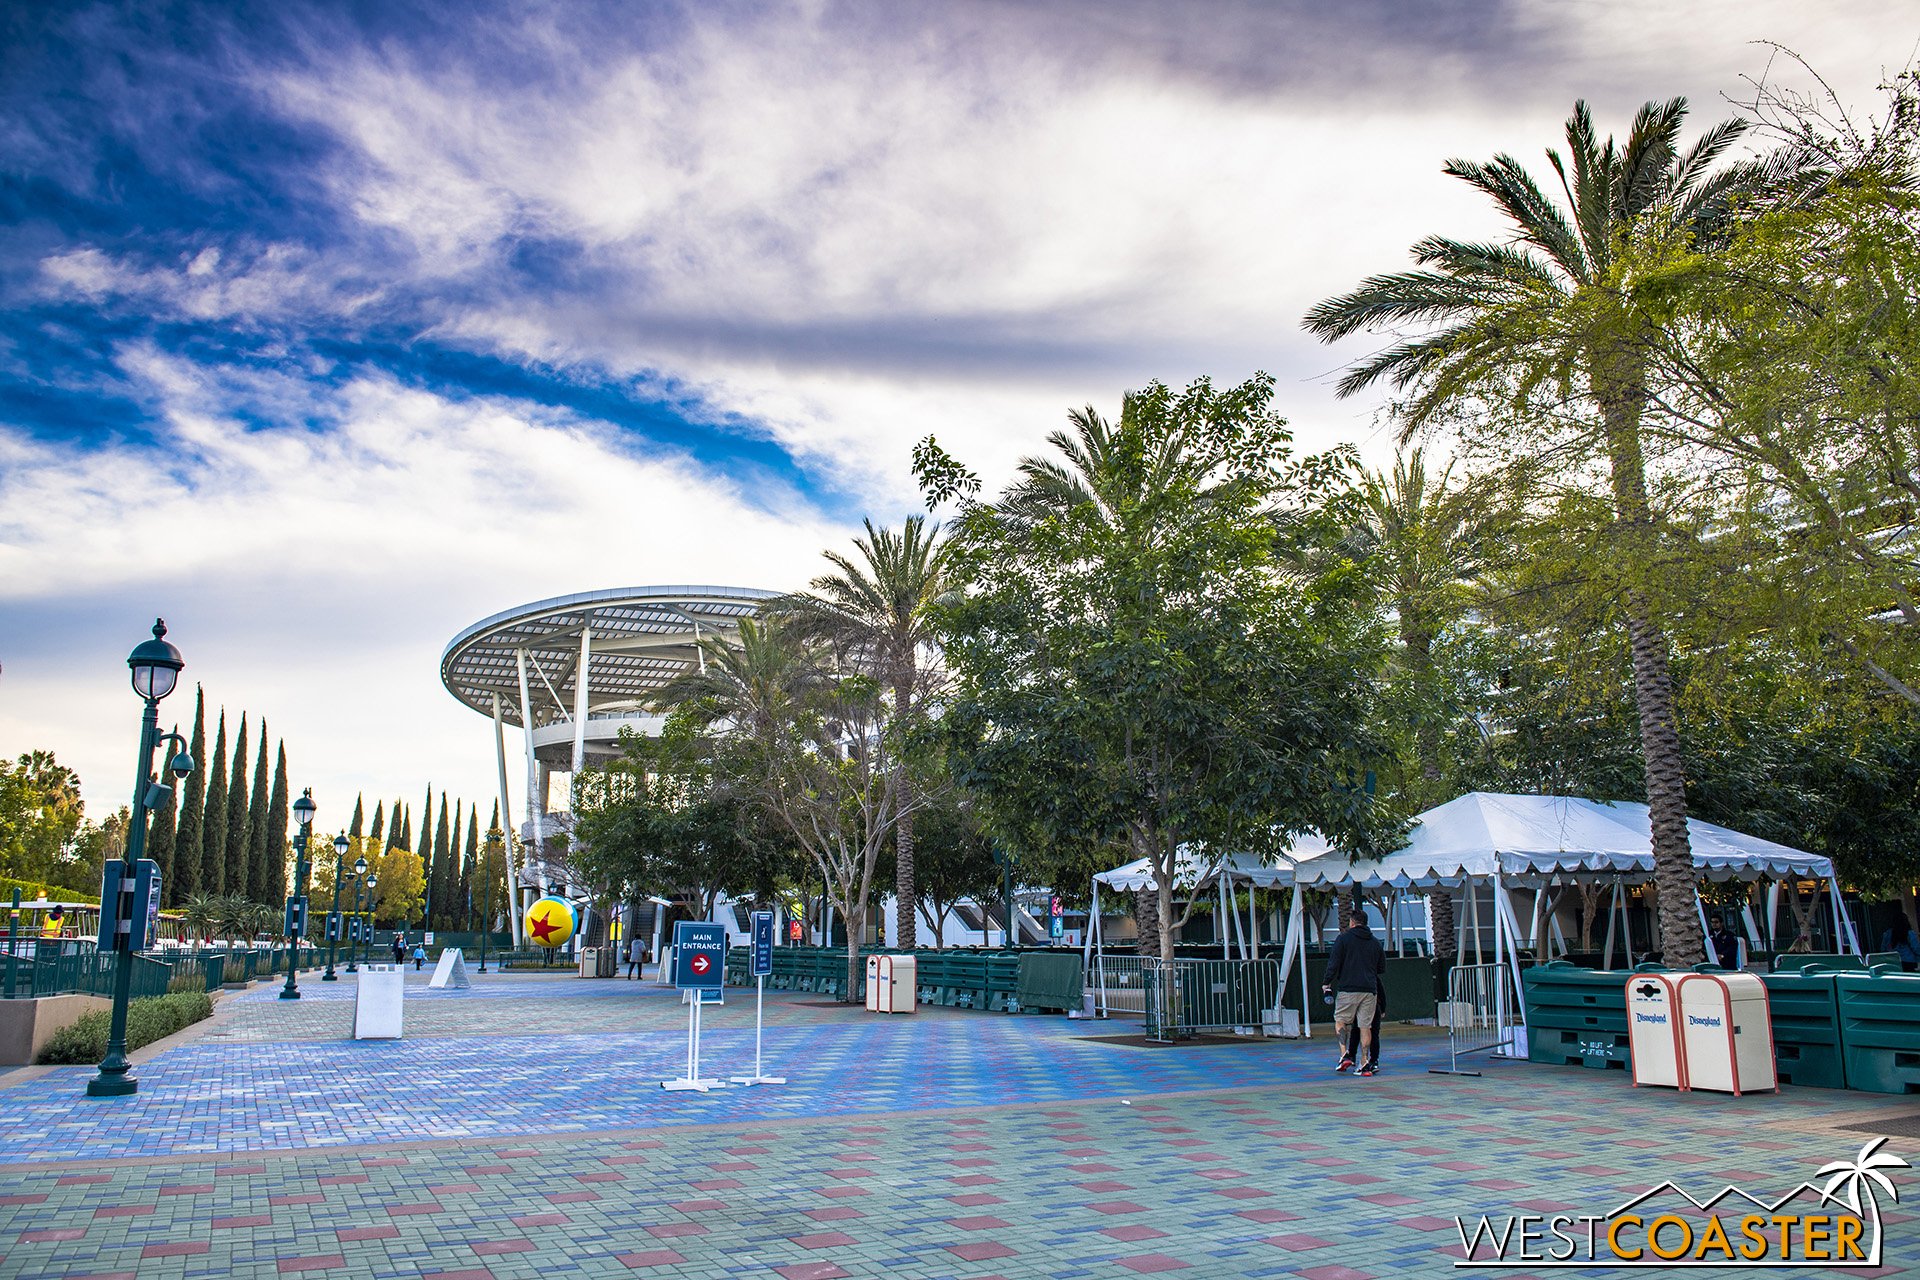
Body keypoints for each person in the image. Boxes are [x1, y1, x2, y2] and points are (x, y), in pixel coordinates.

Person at [1323, 907, 1385, 1077]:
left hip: (1348, 988)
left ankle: (1344, 1055)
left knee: (1341, 1020)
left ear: (1351, 922)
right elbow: (1381, 968)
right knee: (1366, 1026)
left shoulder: (1343, 939)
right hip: (1369, 990)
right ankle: (1364, 1063)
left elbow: (1333, 963)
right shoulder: (1375, 942)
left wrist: (1326, 982)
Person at [1343, 971, 1386, 1073]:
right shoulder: (1370, 976)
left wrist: (1382, 1008)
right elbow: (1381, 991)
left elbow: (1381, 992)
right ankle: (1368, 1059)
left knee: (1360, 1031)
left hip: (1367, 1007)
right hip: (1369, 1006)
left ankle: (1358, 1057)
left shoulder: (1359, 975)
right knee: (1365, 1033)